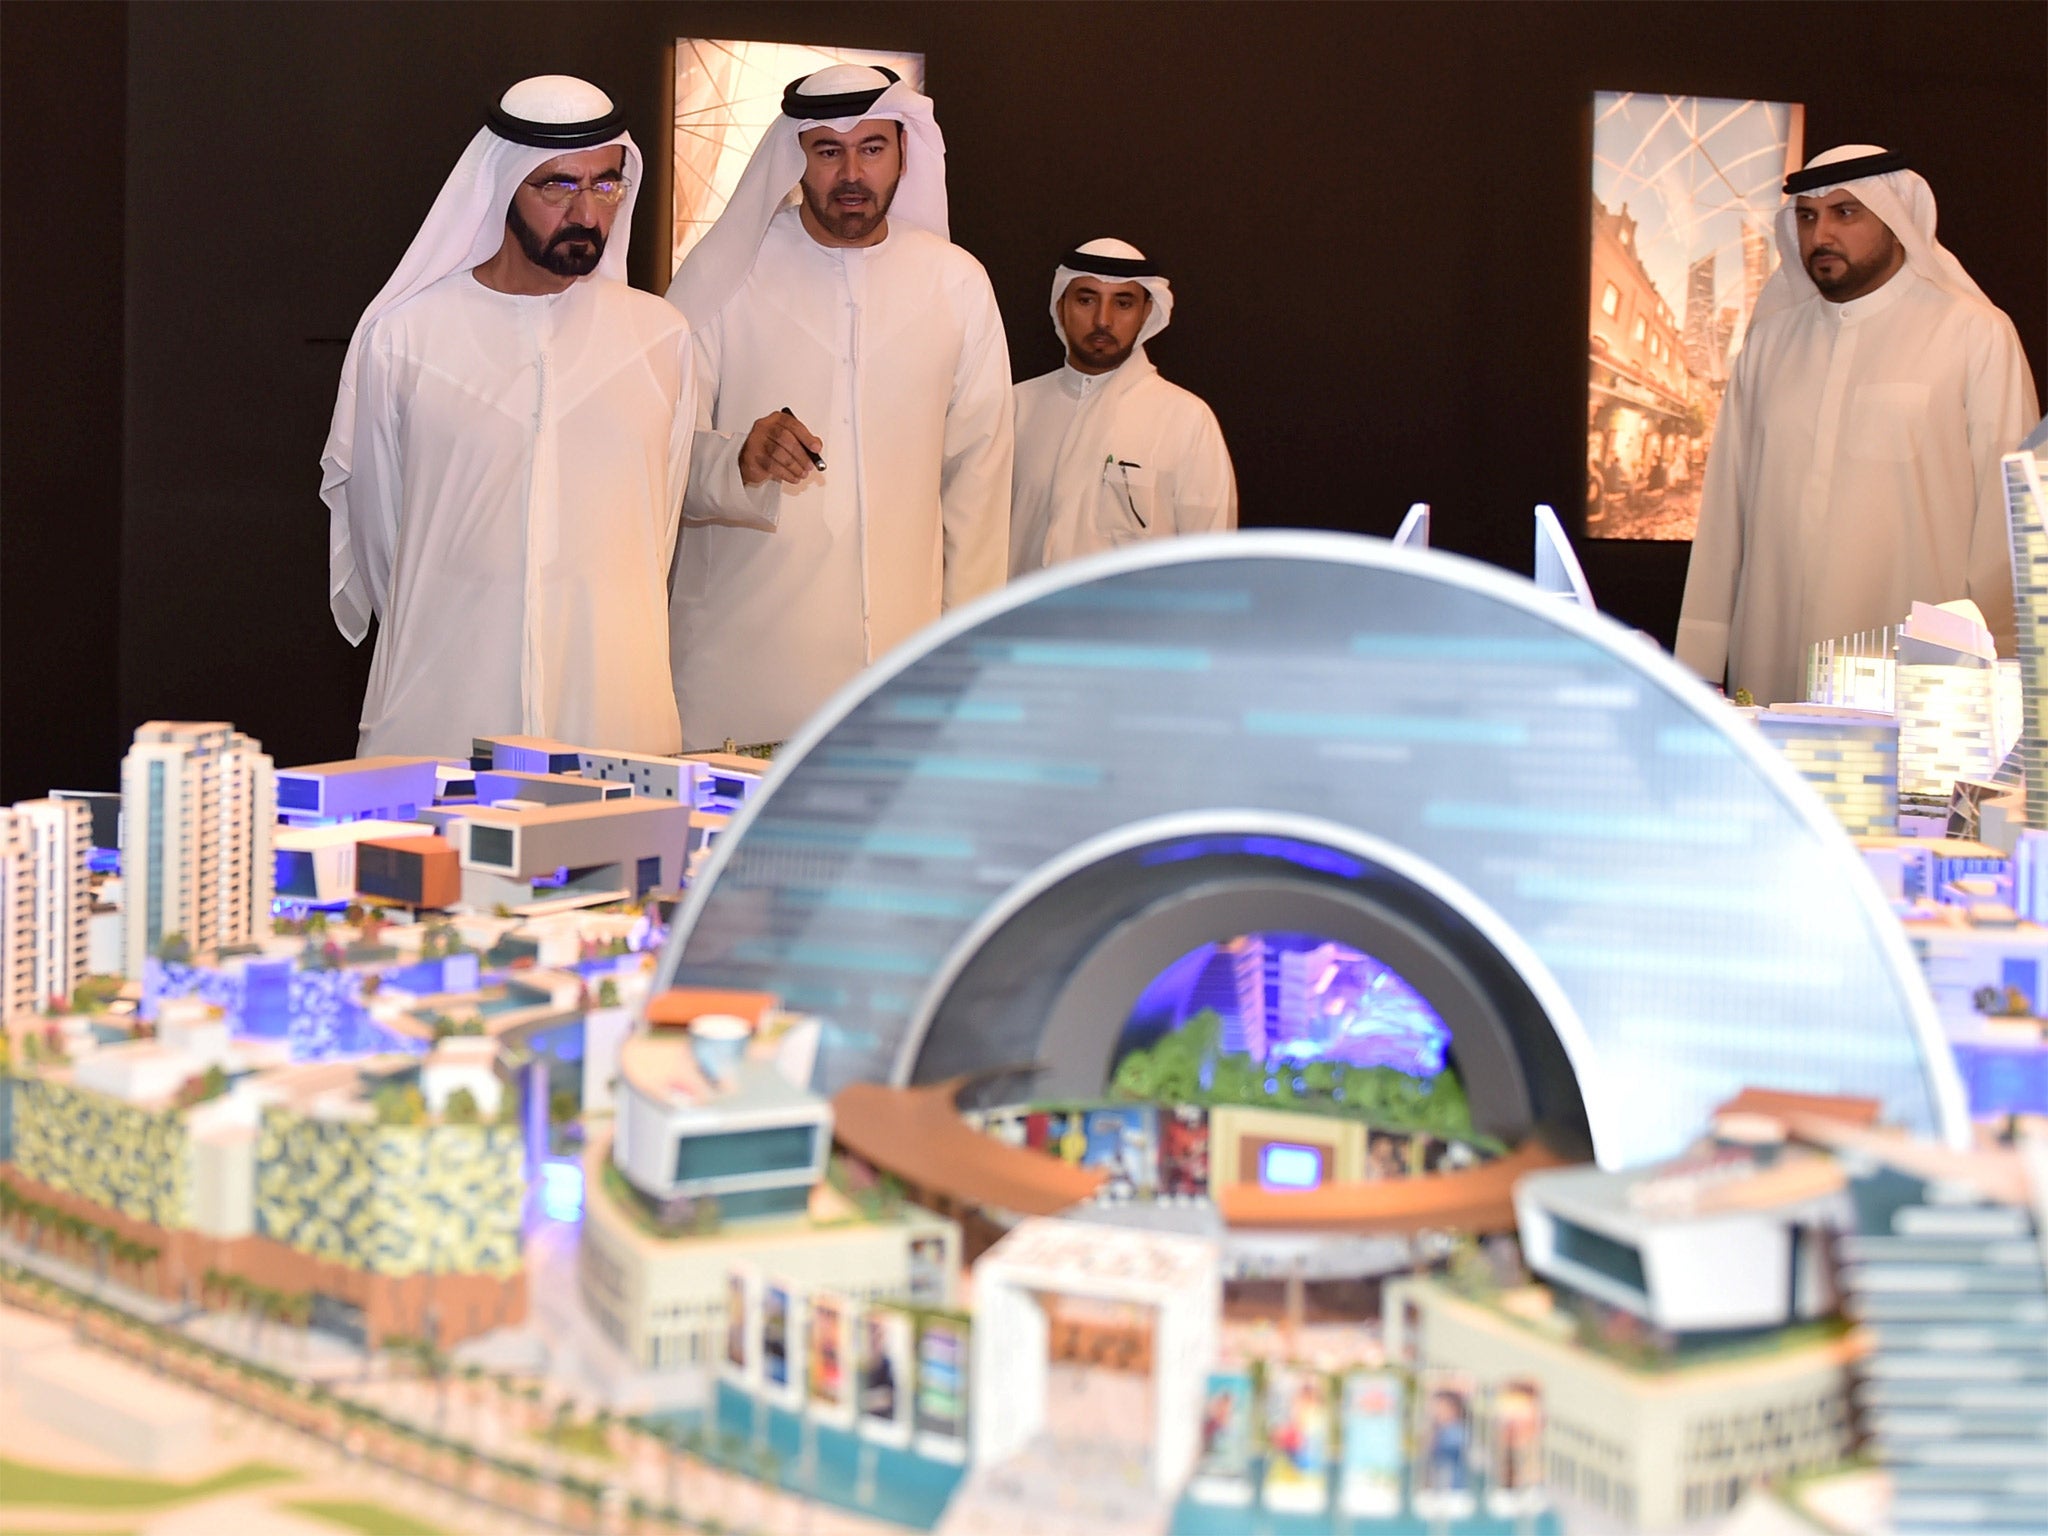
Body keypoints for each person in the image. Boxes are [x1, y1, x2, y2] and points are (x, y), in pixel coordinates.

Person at [320, 76, 695, 758]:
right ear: (501, 186)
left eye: (605, 184)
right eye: (557, 186)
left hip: (614, 712)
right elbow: (384, 540)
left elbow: (657, 529)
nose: (587, 212)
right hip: (443, 705)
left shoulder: (660, 338)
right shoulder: (406, 337)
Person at [665, 65, 1012, 747]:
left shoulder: (956, 283)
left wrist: (965, 664)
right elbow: (658, 449)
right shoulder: (726, 274)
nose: (851, 172)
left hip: (901, 684)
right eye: (828, 150)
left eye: (872, 149)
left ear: (903, 153)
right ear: (797, 155)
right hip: (739, 677)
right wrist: (739, 457)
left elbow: (978, 486)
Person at [1676, 145, 2040, 704]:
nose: (1821, 234)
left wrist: (2005, 671)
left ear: (1896, 221)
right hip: (1773, 654)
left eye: (1846, 212)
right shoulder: (1770, 344)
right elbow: (1728, 510)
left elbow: (2008, 524)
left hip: (1918, 673)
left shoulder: (1974, 335)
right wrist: (1698, 660)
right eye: (1806, 215)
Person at [1009, 239, 1237, 576]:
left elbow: (1212, 563)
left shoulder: (1186, 420)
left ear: (1147, 313)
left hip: (1138, 627)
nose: (1103, 319)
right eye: (1086, 300)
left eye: (1123, 303)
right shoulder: (1013, 409)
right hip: (1021, 627)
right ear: (1061, 307)